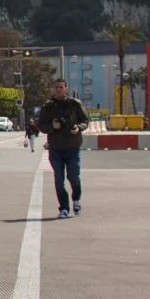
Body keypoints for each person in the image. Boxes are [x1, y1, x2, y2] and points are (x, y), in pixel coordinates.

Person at [32, 79, 90, 218]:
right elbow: (41, 125)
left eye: (61, 87)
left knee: (74, 177)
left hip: (72, 147)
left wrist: (78, 127)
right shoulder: (48, 106)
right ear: (53, 89)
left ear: (66, 88)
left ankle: (76, 199)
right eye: (56, 87)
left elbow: (85, 121)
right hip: (55, 148)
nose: (58, 90)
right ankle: (63, 208)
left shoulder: (75, 104)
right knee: (59, 179)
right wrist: (52, 126)